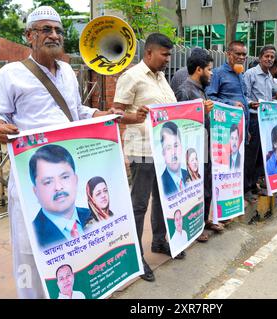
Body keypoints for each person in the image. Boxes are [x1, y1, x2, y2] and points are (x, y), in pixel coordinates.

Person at [0, 6, 122, 299]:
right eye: (46, 29)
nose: (54, 35)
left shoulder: (69, 74)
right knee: (30, 249)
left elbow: (77, 112)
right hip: (32, 176)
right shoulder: (12, 73)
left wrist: (102, 113)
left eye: (58, 30)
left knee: (75, 245)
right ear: (29, 36)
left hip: (68, 171)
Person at [113, 33, 185, 283]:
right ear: (149, 53)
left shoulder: (161, 77)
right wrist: (137, 117)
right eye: (164, 54)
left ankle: (159, 241)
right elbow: (116, 114)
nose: (168, 59)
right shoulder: (131, 77)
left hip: (164, 150)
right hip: (141, 150)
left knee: (163, 200)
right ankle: (136, 256)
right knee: (140, 203)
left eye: (169, 54)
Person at [174, 49, 223, 242]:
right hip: (192, 151)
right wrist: (201, 112)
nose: (211, 73)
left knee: (207, 184)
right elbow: (180, 123)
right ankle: (194, 227)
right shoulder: (185, 91)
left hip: (204, 146)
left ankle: (204, 220)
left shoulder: (200, 90)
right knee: (195, 188)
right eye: (209, 70)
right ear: (198, 69)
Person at [29, 144, 91, 248]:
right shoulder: (32, 236)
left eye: (65, 177)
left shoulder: (94, 216)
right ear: (36, 192)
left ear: (75, 180)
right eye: (48, 182)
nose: (58, 187)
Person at [243, 45, 277, 199]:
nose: (269, 59)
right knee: (251, 154)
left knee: (262, 153)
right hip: (254, 118)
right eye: (267, 56)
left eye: (272, 57)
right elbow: (244, 96)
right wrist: (249, 103)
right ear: (260, 57)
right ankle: (245, 188)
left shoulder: (268, 76)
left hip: (266, 120)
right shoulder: (250, 74)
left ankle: (254, 185)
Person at [160, 121, 189, 196]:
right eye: (168, 148)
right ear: (163, 153)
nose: (173, 153)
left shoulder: (188, 175)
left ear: (181, 147)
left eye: (176, 145)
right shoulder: (161, 183)